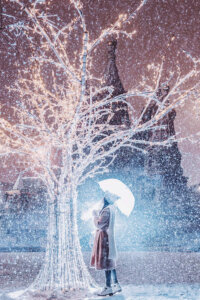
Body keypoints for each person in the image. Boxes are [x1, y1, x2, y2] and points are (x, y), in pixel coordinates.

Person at [90, 192, 122, 296]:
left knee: (107, 262)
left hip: (104, 238)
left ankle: (108, 287)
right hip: (108, 237)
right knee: (110, 261)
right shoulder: (112, 208)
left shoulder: (107, 210)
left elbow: (99, 224)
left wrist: (95, 216)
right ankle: (116, 284)